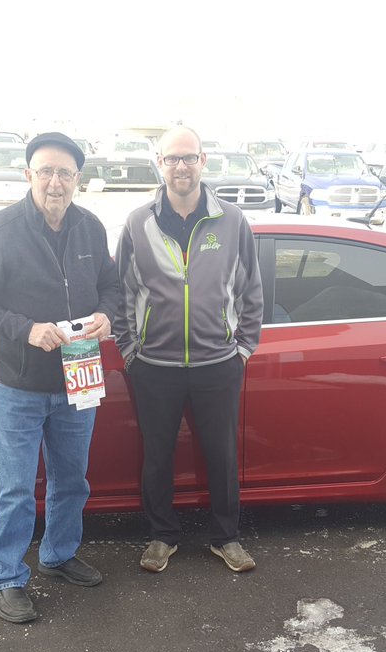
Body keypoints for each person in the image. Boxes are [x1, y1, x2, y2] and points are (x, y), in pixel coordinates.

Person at [0, 131, 121, 624]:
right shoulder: (0, 229)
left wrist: (107, 316)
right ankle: (5, 577)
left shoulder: (90, 228)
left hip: (79, 374)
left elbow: (110, 287)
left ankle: (58, 555)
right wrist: (25, 329)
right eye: (46, 171)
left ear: (77, 179)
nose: (55, 181)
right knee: (14, 486)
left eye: (65, 173)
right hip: (18, 383)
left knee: (72, 480)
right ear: (28, 174)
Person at [114, 126, 264, 574]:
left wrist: (243, 349)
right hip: (154, 366)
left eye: (189, 158)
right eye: (171, 159)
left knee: (221, 454)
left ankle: (226, 537)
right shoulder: (138, 222)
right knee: (157, 455)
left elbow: (251, 289)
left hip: (217, 364)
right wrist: (128, 351)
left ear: (203, 162)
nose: (181, 166)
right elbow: (121, 292)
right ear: (158, 164)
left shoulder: (232, 221)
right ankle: (162, 536)